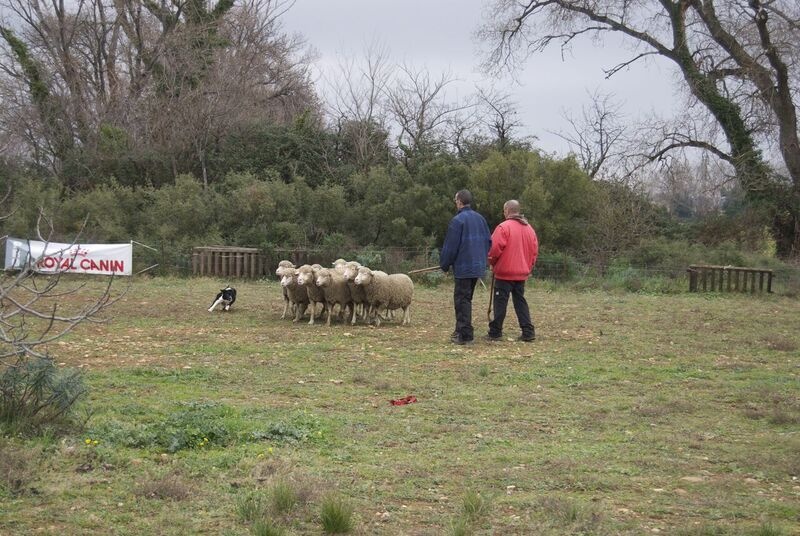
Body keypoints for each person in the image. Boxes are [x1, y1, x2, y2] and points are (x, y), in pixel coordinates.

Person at [439, 190, 492, 345]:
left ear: (460, 201)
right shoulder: (480, 219)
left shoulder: (458, 220)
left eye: (455, 199)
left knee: (462, 301)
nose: (455, 202)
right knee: (466, 299)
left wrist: (445, 264)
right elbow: (489, 242)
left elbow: (450, 246)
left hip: (463, 268)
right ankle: (459, 330)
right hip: (477, 267)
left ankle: (465, 335)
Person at [486, 199, 539, 342]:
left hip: (505, 272)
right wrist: (529, 267)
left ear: (507, 211)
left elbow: (494, 249)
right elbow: (534, 252)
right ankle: (528, 331)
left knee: (500, 302)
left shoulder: (503, 227)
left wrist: (491, 262)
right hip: (521, 273)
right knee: (520, 301)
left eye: (504, 210)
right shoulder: (530, 229)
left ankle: (495, 332)